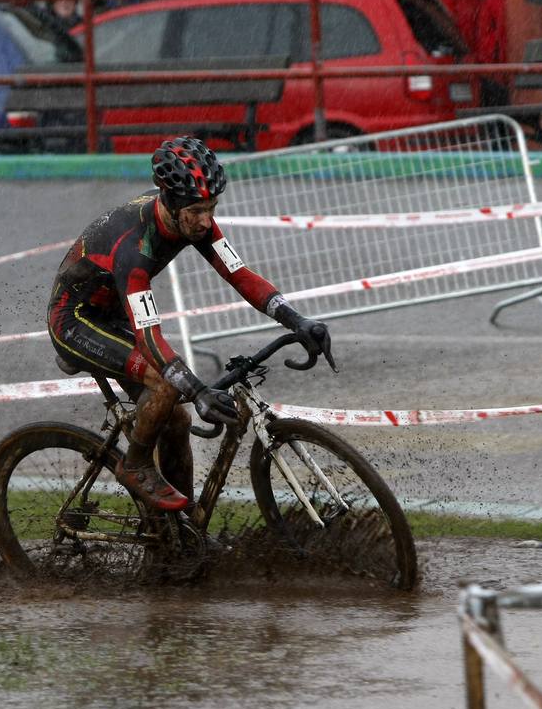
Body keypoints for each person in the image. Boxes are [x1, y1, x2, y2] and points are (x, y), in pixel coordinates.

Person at [47, 138, 334, 511]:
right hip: (75, 320)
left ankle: (179, 534)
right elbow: (149, 336)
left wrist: (295, 319)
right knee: (166, 383)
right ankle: (134, 464)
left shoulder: (191, 218)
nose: (206, 220)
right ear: (170, 202)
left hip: (112, 311)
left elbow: (239, 274)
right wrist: (198, 391)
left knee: (176, 422)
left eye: (212, 208)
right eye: (198, 211)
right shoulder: (135, 246)